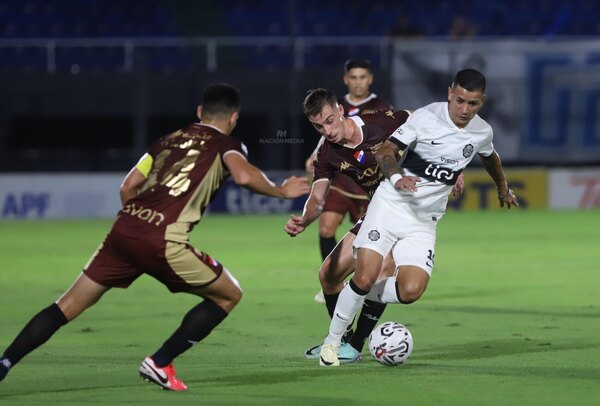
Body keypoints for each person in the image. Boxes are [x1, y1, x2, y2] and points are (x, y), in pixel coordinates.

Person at [0, 83, 309, 390]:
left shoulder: (166, 140)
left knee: (65, 306)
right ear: (233, 118)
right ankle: (161, 361)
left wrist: (138, 227)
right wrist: (281, 190)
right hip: (163, 239)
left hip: (124, 230)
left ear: (199, 111)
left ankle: (5, 363)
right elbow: (242, 175)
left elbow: (127, 187)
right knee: (229, 294)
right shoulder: (227, 144)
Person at [318, 68, 518, 367]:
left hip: (423, 222)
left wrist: (503, 188)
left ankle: (354, 293)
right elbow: (386, 150)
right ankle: (332, 345)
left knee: (410, 290)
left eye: (472, 104)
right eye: (460, 100)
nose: (464, 109)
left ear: (482, 102)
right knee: (365, 273)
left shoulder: (482, 132)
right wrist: (397, 176)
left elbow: (491, 157)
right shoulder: (425, 117)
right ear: (450, 93)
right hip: (389, 206)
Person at [285, 88, 464, 363]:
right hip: (378, 211)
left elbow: (428, 119)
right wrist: (305, 219)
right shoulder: (327, 154)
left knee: (378, 273)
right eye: (318, 126)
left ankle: (354, 345)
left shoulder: (381, 121)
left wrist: (454, 165)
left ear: (341, 110)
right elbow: (317, 196)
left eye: (330, 120)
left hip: (413, 209)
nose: (327, 130)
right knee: (328, 275)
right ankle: (342, 339)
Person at [306, 58, 393, 304]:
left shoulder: (380, 108)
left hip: (370, 187)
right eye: (353, 77)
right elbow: (324, 144)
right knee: (326, 227)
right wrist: (313, 160)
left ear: (370, 79)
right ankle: (333, 281)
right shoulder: (333, 106)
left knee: (371, 245)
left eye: (362, 77)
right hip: (341, 183)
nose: (357, 82)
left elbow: (405, 133)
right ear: (346, 80)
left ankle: (373, 280)